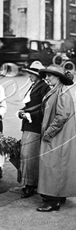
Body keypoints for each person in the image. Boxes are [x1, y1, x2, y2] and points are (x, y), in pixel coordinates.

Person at [36, 65, 76, 212]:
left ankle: (53, 201)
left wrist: (48, 133)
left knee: (52, 166)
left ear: (59, 78)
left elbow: (62, 116)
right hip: (57, 135)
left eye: (50, 76)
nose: (46, 78)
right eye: (46, 75)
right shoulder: (56, 91)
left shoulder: (62, 94)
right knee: (57, 165)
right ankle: (59, 196)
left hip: (57, 136)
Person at [18, 61, 50, 199]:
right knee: (25, 154)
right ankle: (27, 183)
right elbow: (29, 105)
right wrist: (22, 112)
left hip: (35, 126)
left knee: (30, 155)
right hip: (28, 125)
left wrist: (29, 114)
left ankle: (31, 185)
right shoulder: (34, 86)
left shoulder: (44, 88)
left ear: (38, 75)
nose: (29, 76)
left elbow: (45, 109)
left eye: (31, 74)